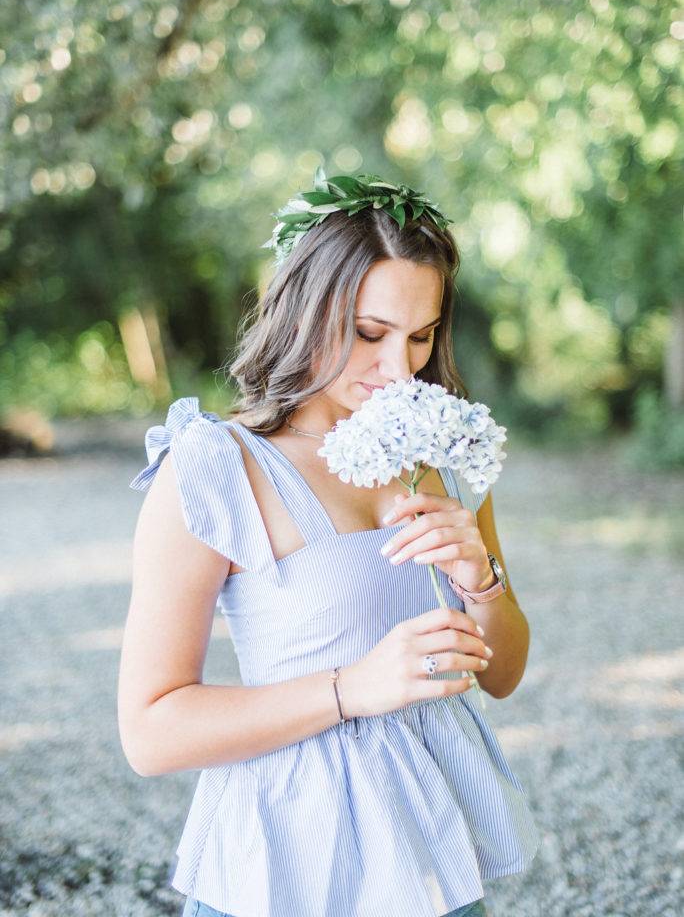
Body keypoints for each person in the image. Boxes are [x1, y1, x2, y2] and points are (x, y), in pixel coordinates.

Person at [117, 169, 540, 917]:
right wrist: (352, 690)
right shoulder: (215, 465)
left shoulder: (446, 449)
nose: (397, 368)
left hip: (432, 853)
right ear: (303, 309)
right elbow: (150, 733)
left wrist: (482, 579)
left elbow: (501, 676)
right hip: (284, 858)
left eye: (421, 335)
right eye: (370, 333)